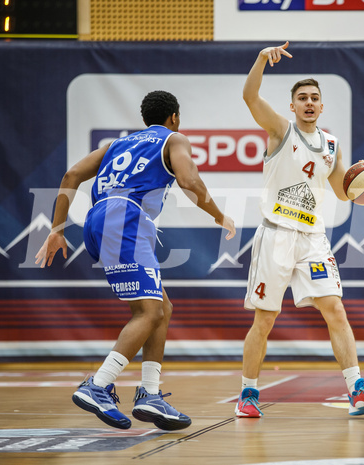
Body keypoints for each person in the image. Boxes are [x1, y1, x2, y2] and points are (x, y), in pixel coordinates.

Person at [36, 90, 236, 430]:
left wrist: (57, 230)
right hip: (126, 219)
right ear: (174, 117)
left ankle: (150, 394)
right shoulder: (175, 138)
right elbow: (189, 181)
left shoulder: (116, 145)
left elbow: (71, 176)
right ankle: (98, 385)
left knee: (162, 308)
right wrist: (219, 215)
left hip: (98, 219)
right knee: (149, 312)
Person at [235, 41, 364, 418]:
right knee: (265, 319)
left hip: (313, 240)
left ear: (322, 106)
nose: (308, 102)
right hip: (275, 236)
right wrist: (260, 60)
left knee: (335, 309)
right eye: (302, 97)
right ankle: (248, 394)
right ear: (293, 105)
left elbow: (342, 191)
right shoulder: (280, 130)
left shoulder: (331, 144)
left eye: (314, 98)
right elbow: (250, 96)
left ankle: (356, 390)